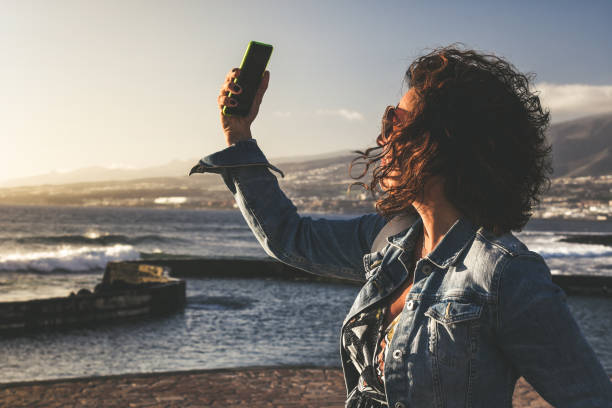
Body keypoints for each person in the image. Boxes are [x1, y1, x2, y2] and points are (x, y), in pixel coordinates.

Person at [190, 46, 612, 407]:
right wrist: (238, 135)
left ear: (446, 141)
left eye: (396, 121)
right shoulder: (389, 239)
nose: (383, 137)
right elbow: (289, 237)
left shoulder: (505, 274)